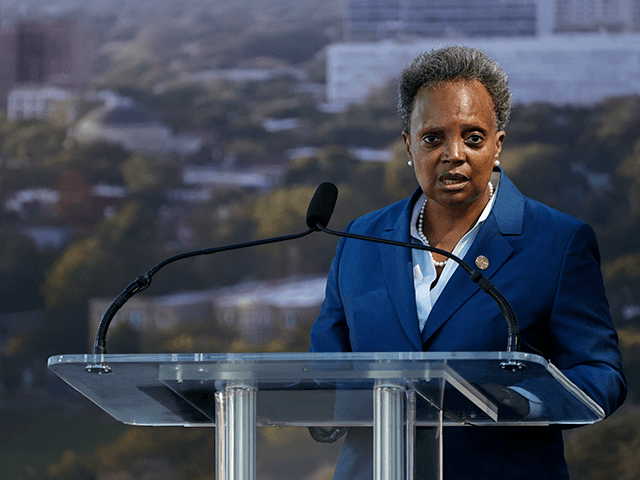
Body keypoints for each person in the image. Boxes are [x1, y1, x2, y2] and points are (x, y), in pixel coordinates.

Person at [309, 46, 626, 479]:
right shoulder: (358, 239)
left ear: (497, 145)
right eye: (432, 138)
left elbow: (601, 374)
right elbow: (325, 369)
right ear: (409, 144)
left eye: (473, 138)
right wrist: (323, 412)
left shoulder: (558, 241)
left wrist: (527, 402)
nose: (453, 153)